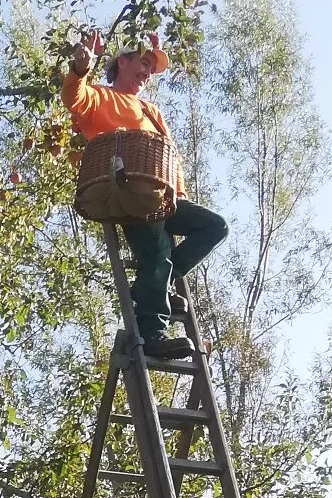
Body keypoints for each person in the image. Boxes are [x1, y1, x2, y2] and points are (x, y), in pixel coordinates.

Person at [57, 31, 227, 361]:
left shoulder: (150, 110)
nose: (148, 72)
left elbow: (166, 155)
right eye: (144, 63)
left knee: (215, 227)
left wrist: (176, 194)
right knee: (157, 250)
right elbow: (73, 98)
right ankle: (153, 333)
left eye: (152, 68)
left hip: (162, 193)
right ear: (123, 61)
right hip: (129, 189)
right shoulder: (101, 97)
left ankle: (155, 286)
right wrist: (80, 69)